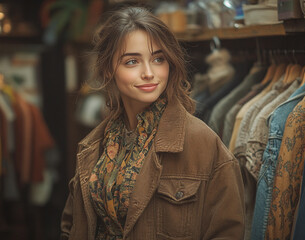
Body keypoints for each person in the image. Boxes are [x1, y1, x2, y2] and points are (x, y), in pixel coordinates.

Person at [60, 6, 245, 240]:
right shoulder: (93, 145)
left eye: (158, 59)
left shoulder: (203, 144)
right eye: (132, 62)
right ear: (109, 69)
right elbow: (71, 227)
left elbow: (228, 232)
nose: (149, 73)